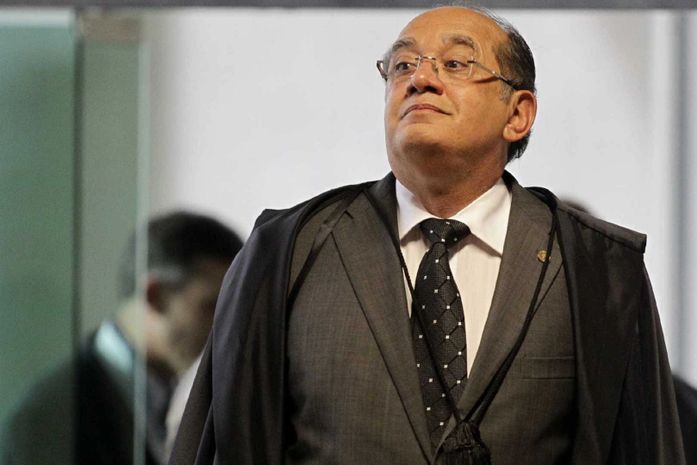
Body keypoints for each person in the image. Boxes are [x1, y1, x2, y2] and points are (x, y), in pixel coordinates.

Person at [171, 7, 684, 465]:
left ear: (518, 113)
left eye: (455, 63)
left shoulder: (596, 267)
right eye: (401, 66)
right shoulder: (287, 249)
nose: (420, 79)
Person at [1, 211, 243, 465]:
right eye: (211, 306)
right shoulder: (48, 420)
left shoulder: (149, 398)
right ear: (155, 296)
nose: (224, 327)